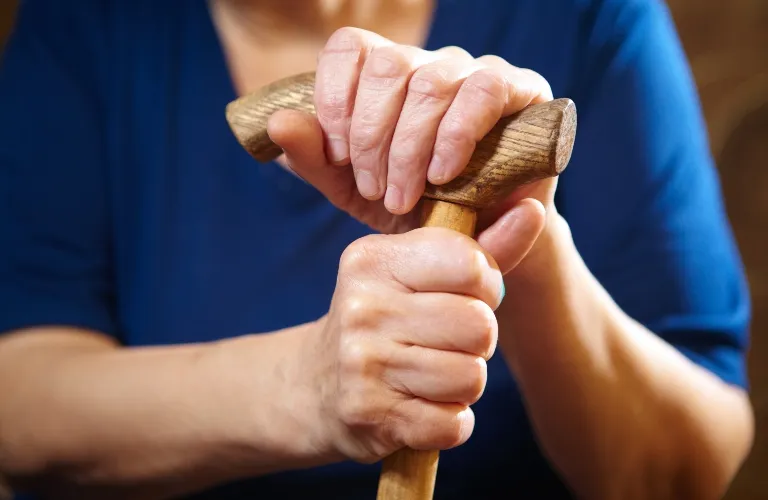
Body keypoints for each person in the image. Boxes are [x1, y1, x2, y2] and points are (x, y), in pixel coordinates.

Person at [0, 0, 755, 498]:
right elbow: (19, 407)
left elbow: (689, 468)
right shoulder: (83, 27)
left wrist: (523, 252)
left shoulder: (588, 15)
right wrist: (308, 388)